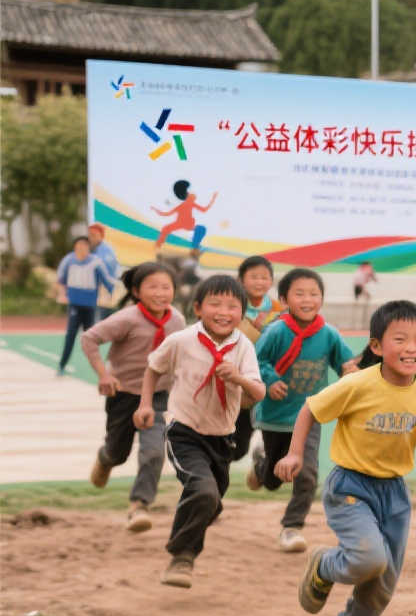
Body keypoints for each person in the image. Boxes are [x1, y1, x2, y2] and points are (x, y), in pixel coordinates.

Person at [276, 301, 416, 616]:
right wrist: (294, 454)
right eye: (400, 339)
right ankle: (323, 566)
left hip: (394, 493)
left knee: (384, 579)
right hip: (351, 485)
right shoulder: (358, 384)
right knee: (367, 558)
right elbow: (311, 409)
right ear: (377, 346)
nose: (411, 348)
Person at [135, 274, 264, 588]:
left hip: (222, 436)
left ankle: (195, 521)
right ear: (198, 308)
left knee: (212, 502)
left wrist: (238, 378)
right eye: (215, 304)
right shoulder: (182, 340)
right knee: (203, 491)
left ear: (242, 314)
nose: (223, 311)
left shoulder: (242, 346)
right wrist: (146, 404)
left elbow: (257, 392)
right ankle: (182, 558)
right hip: (185, 432)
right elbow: (154, 366)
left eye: (232, 306)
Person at [247, 269, 355, 553]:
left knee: (305, 473)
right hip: (275, 416)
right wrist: (270, 381)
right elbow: (255, 360)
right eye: (300, 294)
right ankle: (261, 467)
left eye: (314, 294)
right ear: (284, 299)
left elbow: (345, 363)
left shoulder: (328, 334)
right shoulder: (276, 331)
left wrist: (349, 369)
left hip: (310, 415)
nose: (308, 299)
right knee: (272, 479)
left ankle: (291, 527)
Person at [81, 262, 184, 532]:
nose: (160, 293)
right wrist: (104, 375)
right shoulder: (127, 318)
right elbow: (89, 339)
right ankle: (106, 458)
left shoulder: (177, 320)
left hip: (159, 395)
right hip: (124, 394)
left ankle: (139, 505)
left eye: (166, 287)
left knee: (153, 452)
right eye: (153, 287)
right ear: (137, 291)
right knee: (119, 452)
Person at [231, 256, 277, 465]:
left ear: (272, 282)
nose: (260, 282)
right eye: (254, 277)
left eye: (264, 277)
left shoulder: (279, 310)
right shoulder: (231, 307)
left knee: (246, 445)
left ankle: (260, 465)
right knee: (233, 444)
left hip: (266, 384)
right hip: (236, 383)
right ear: (241, 280)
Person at [55, 235, 117, 376]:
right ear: (75, 247)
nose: (82, 248)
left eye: (85, 245)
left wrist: (113, 292)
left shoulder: (96, 262)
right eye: (79, 245)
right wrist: (62, 293)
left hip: (90, 306)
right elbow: (61, 279)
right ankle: (61, 366)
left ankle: (100, 370)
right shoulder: (68, 261)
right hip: (74, 306)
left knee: (91, 339)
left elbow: (107, 280)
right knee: (70, 336)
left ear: (89, 248)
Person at [151, 179, 217, 260]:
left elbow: (204, 209)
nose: (192, 194)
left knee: (201, 228)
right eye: (189, 193)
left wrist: (213, 199)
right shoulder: (182, 205)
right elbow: (166, 214)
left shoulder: (191, 203)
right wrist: (156, 210)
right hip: (180, 223)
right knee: (166, 228)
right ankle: (158, 245)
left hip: (188, 224)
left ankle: (195, 247)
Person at [86, 223, 121, 319]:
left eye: (93, 235)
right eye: (89, 235)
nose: (90, 238)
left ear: (101, 236)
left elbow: (105, 273)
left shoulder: (106, 251)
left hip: (105, 293)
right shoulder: (94, 249)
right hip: (100, 294)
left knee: (101, 323)